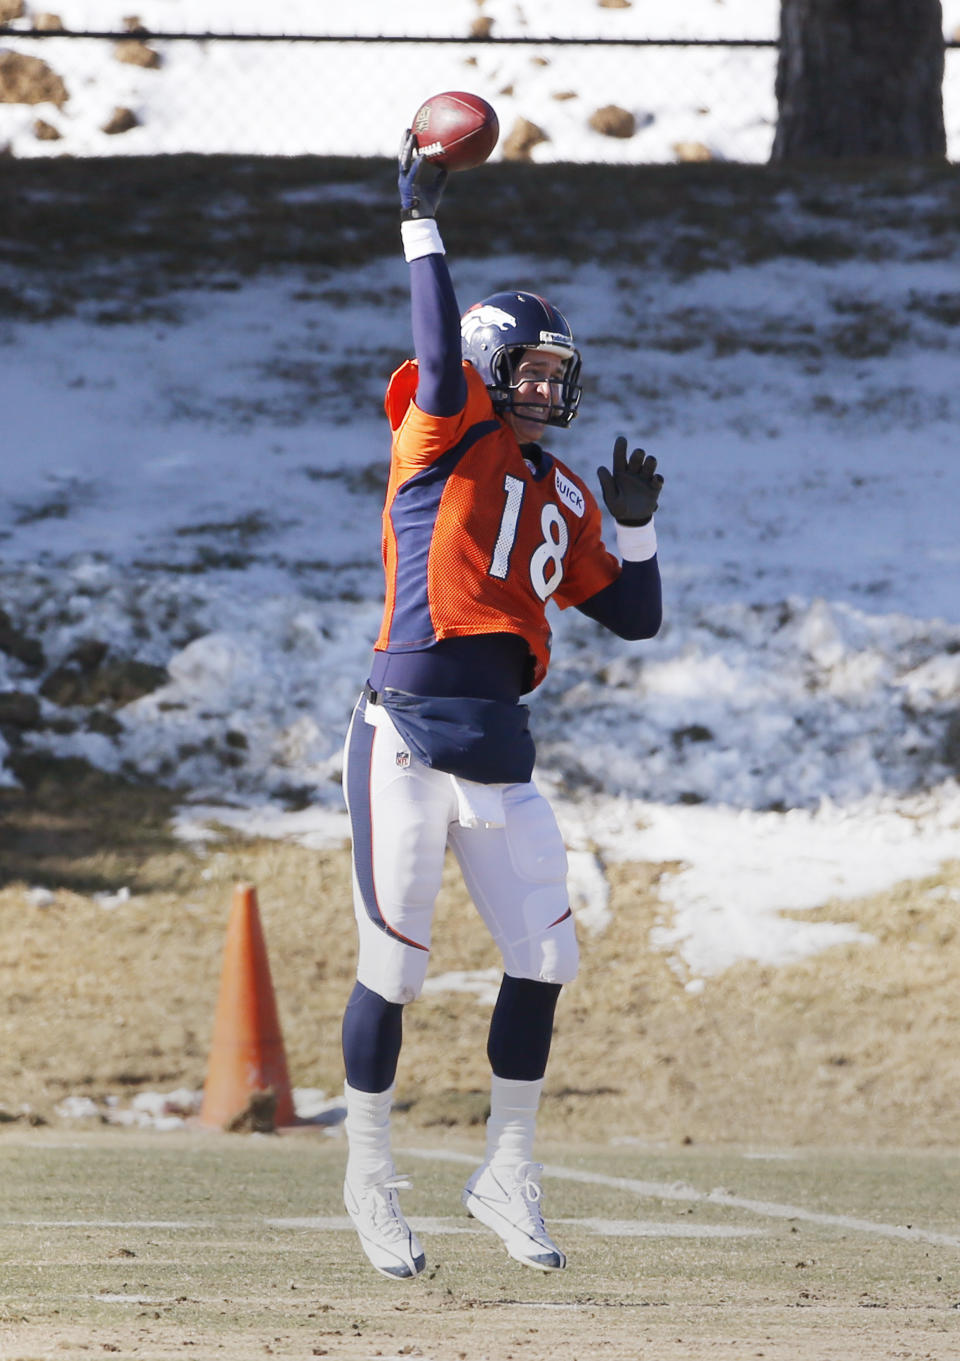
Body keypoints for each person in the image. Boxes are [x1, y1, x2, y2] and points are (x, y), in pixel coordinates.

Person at [339, 130, 664, 1280]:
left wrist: (635, 525)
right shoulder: (448, 423)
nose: (547, 383)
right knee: (397, 969)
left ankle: (505, 1168)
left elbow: (633, 618)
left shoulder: (561, 485)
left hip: (500, 750)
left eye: (553, 369)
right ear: (485, 366)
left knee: (548, 960)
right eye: (528, 366)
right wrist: (420, 218)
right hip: (407, 733)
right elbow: (435, 354)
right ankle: (369, 1177)